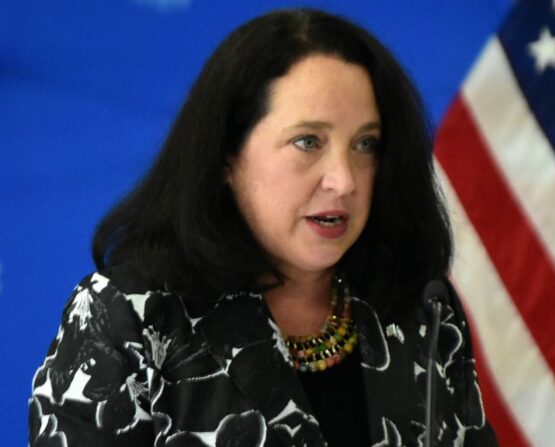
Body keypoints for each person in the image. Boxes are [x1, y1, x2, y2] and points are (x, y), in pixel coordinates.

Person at [29, 8, 497, 446]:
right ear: (227, 157)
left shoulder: (423, 308)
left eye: (366, 144)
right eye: (308, 141)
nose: (343, 180)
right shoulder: (129, 315)